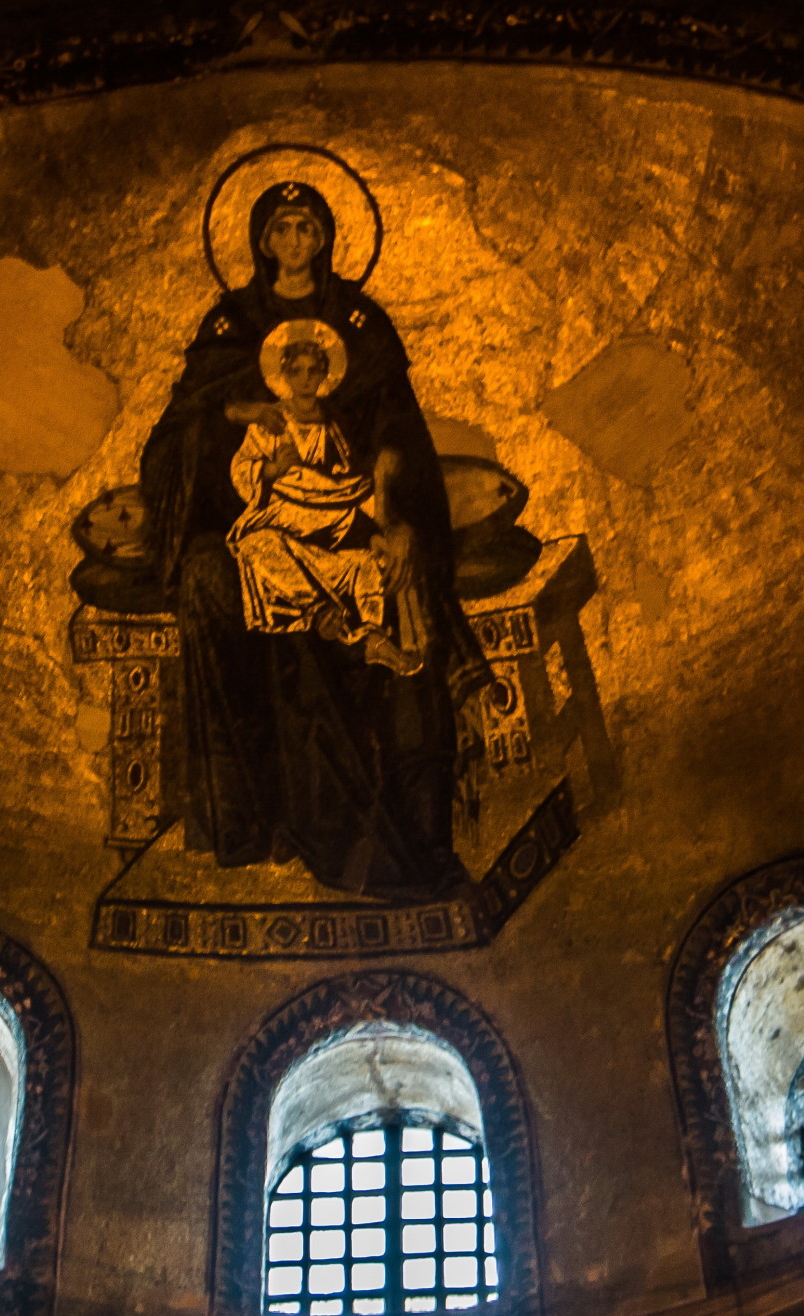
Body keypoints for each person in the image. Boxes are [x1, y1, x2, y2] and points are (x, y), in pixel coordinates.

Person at [139, 179, 491, 900]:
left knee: (400, 588)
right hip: (264, 527)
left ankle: (420, 834)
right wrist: (239, 413)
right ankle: (248, 818)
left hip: (351, 521)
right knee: (217, 579)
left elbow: (397, 438)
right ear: (262, 241)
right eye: (283, 229)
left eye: (308, 228)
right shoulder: (230, 328)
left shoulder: (360, 325)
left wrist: (395, 517)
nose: (297, 242)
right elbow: (180, 440)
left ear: (326, 239)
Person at [227, 325, 423, 676]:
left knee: (369, 564)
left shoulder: (336, 425)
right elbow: (241, 469)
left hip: (333, 522)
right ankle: (319, 611)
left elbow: (349, 484)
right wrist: (271, 469)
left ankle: (375, 637)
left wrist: (381, 505)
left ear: (324, 375)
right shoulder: (271, 421)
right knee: (256, 546)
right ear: (284, 374)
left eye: (312, 371)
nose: (305, 379)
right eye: (296, 371)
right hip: (284, 516)